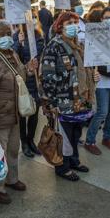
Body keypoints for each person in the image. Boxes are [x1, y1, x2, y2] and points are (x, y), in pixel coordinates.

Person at [0, 20, 37, 204]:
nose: (6, 37)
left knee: (13, 149)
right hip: (0, 115)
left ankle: (12, 179)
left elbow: (19, 75)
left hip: (15, 113)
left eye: (7, 33)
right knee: (0, 153)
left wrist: (28, 69)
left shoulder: (12, 53)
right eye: (1, 34)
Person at [41, 11, 94, 182]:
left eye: (75, 22)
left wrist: (93, 77)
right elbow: (47, 77)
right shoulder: (54, 46)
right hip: (63, 100)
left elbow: (85, 69)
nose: (73, 26)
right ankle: (62, 167)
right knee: (64, 136)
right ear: (60, 26)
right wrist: (52, 102)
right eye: (69, 23)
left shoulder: (77, 44)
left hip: (79, 99)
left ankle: (74, 160)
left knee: (76, 133)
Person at [85, 7, 110, 155]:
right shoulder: (96, 36)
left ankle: (107, 138)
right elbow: (94, 61)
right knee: (102, 112)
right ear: (101, 20)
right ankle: (90, 141)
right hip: (102, 81)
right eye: (107, 17)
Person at [13, 23, 45, 158]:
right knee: (22, 113)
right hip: (22, 80)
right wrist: (19, 44)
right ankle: (24, 142)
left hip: (36, 80)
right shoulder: (16, 36)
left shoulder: (38, 36)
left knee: (34, 113)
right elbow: (13, 57)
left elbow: (42, 53)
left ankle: (31, 140)